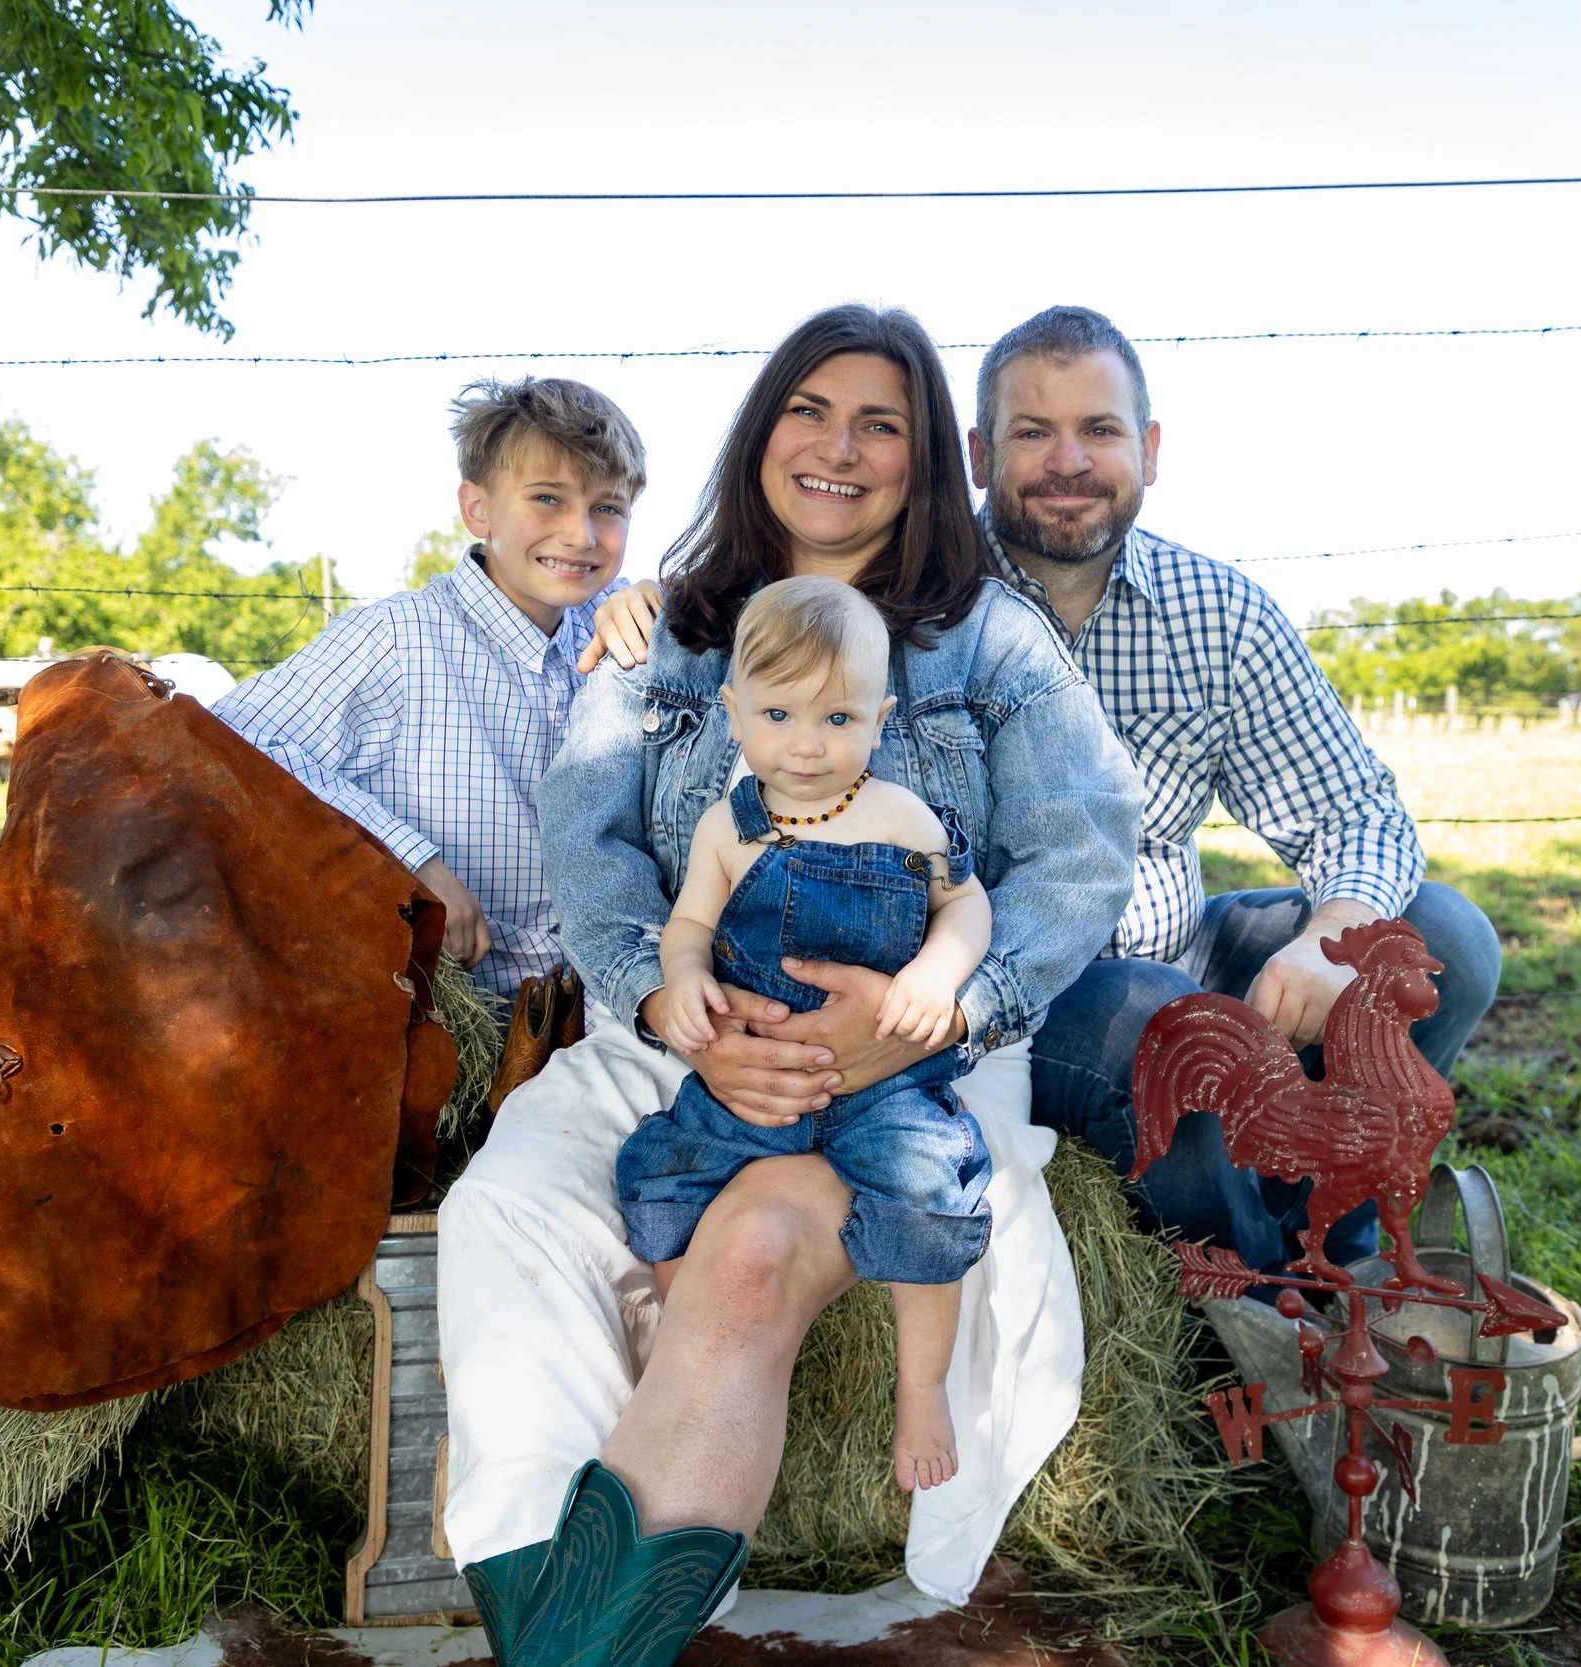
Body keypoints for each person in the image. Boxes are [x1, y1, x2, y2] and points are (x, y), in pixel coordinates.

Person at [437, 305, 1141, 1667]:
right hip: (680, 1036)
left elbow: (1078, 850)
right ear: (761, 432)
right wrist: (668, 1005)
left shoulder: (987, 639)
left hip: (917, 1051)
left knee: (751, 1246)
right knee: (509, 1204)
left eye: (883, 421)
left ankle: (590, 1643)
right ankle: (560, 1622)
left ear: (926, 457)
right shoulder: (667, 633)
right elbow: (588, 843)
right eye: (809, 409)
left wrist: (935, 1012)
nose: (840, 446)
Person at [582, 307, 1501, 1279]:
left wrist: (1331, 935)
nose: (1068, 461)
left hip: (1178, 949)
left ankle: (1344, 1243)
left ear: (1147, 447)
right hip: (1024, 987)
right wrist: (649, 603)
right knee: (1153, 1021)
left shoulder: (1216, 613)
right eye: (1032, 432)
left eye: (1098, 430)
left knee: (1441, 936)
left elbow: (1353, 809)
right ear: (976, 453)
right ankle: (1268, 1295)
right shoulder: (913, 596)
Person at [623, 575, 995, 1496]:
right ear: (732, 714)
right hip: (753, 1075)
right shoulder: (725, 829)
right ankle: (681, 1349)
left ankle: (922, 1385)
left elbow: (965, 904)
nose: (807, 743)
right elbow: (688, 929)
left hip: (884, 1081)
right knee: (663, 1178)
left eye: (839, 718)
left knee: (924, 1192)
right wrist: (684, 983)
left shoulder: (904, 819)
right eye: (779, 712)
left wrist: (934, 975)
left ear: (882, 720)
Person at [214, 377, 642, 1001]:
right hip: (451, 1016)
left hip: (604, 1008)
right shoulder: (398, 638)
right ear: (477, 509)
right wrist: (409, 861)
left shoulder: (619, 623)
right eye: (548, 498)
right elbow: (233, 735)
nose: (581, 534)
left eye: (607, 507)